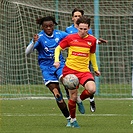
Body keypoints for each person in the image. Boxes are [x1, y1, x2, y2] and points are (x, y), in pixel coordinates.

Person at [54, 16, 107, 128]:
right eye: (81, 28)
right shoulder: (70, 38)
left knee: (92, 89)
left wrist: (96, 68)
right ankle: (73, 120)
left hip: (84, 71)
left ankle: (80, 99)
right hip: (70, 71)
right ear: (77, 27)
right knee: (72, 96)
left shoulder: (92, 40)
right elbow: (58, 48)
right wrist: (57, 61)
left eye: (85, 29)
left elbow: (92, 55)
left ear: (88, 28)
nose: (83, 31)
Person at [25, 16, 72, 127]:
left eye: (51, 26)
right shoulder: (39, 37)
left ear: (54, 25)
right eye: (46, 26)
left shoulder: (60, 34)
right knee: (57, 95)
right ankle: (69, 119)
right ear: (42, 27)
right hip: (46, 68)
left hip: (59, 64)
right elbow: (27, 52)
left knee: (67, 81)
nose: (49, 28)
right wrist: (33, 42)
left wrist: (95, 40)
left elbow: (75, 38)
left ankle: (70, 93)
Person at [65, 8, 107, 113]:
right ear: (72, 18)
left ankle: (91, 99)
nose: (77, 18)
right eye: (75, 16)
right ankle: (72, 119)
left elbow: (90, 41)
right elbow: (64, 42)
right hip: (72, 62)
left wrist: (97, 42)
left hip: (84, 61)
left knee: (90, 85)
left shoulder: (87, 29)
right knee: (72, 90)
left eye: (79, 16)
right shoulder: (68, 30)